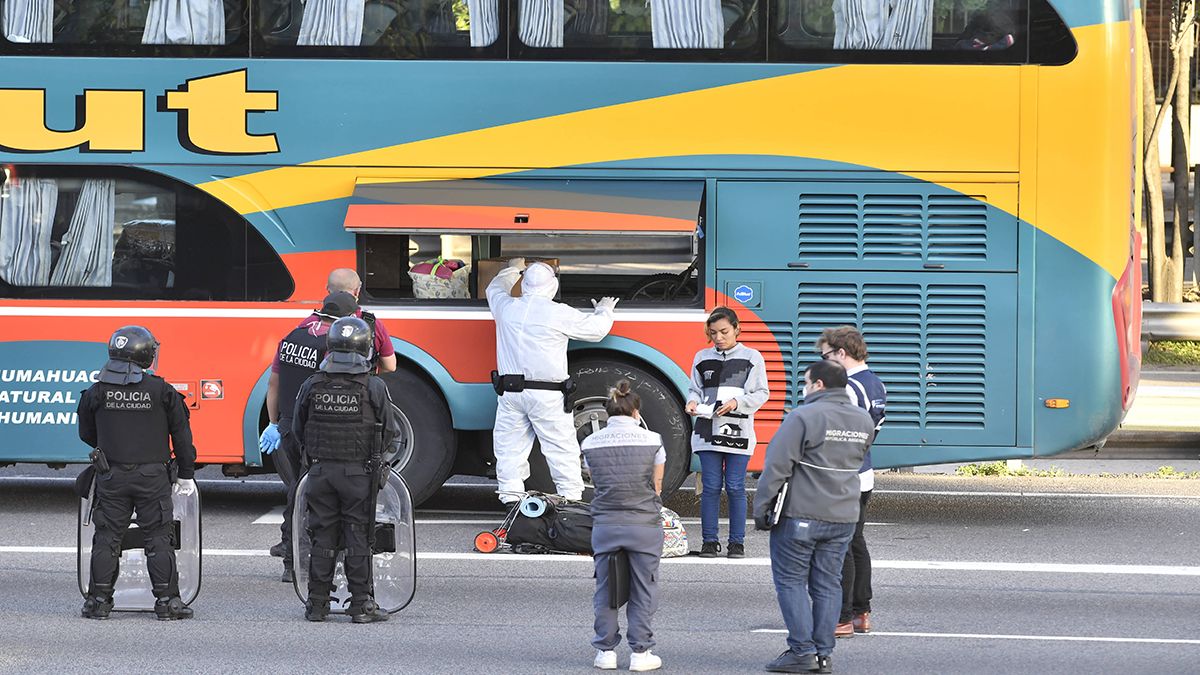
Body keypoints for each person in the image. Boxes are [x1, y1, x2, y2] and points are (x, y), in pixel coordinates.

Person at [753, 360, 874, 674]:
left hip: (802, 513)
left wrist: (761, 508)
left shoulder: (803, 416)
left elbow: (776, 467)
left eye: (806, 383)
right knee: (828, 584)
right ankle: (823, 653)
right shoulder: (862, 419)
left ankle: (801, 651)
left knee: (791, 582)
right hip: (845, 515)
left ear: (818, 385)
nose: (804, 389)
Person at [77, 325, 197, 621]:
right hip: (152, 478)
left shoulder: (96, 391)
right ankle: (168, 603)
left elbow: (86, 434)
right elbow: (181, 437)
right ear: (144, 356)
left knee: (107, 537)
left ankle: (98, 602)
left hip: (110, 476)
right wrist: (185, 473)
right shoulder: (162, 391)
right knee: (158, 537)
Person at [293, 316, 401, 623]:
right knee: (358, 535)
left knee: (322, 535)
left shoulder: (312, 384)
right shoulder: (374, 386)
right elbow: (390, 432)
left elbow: (300, 430)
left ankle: (317, 604)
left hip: (321, 472)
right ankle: (359, 605)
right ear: (365, 348)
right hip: (358, 474)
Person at [486, 258, 618, 502]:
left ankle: (512, 504)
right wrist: (604, 308)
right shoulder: (559, 313)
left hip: (511, 393)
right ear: (552, 287)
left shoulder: (506, 307)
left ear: (524, 284)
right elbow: (597, 330)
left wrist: (513, 269)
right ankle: (570, 504)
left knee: (509, 451)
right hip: (547, 395)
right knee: (560, 449)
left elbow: (493, 288)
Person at [260, 291, 359, 582]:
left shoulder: (292, 336)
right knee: (313, 496)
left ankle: (291, 560)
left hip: (288, 425)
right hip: (314, 426)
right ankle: (302, 561)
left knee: (296, 490)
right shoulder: (331, 344)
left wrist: (273, 422)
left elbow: (274, 382)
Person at [581, 380, 666, 672]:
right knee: (644, 588)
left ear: (608, 412)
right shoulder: (653, 440)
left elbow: (595, 479)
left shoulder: (590, 442)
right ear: (636, 412)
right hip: (644, 525)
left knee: (606, 588)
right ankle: (640, 654)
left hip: (605, 524)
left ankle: (605, 653)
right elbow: (656, 485)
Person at [816, 327, 887, 638]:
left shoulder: (848, 387)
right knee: (856, 543)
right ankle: (861, 612)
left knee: (839, 548)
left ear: (841, 354)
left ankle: (841, 617)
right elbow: (872, 431)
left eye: (826, 356)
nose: (824, 362)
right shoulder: (876, 384)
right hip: (864, 472)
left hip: (842, 476)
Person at [685, 307, 770, 558]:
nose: (719, 337)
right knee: (710, 486)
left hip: (739, 431)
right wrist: (692, 401)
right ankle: (709, 542)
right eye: (713, 333)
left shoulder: (752, 357)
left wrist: (736, 402)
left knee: (735, 486)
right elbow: (695, 389)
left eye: (724, 331)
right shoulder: (701, 357)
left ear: (736, 329)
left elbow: (761, 393)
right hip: (705, 430)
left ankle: (737, 543)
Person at [297, 268, 397, 373]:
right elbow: (390, 366)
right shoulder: (371, 323)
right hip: (359, 386)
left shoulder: (311, 322)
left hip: (319, 386)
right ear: (357, 291)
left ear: (328, 289)